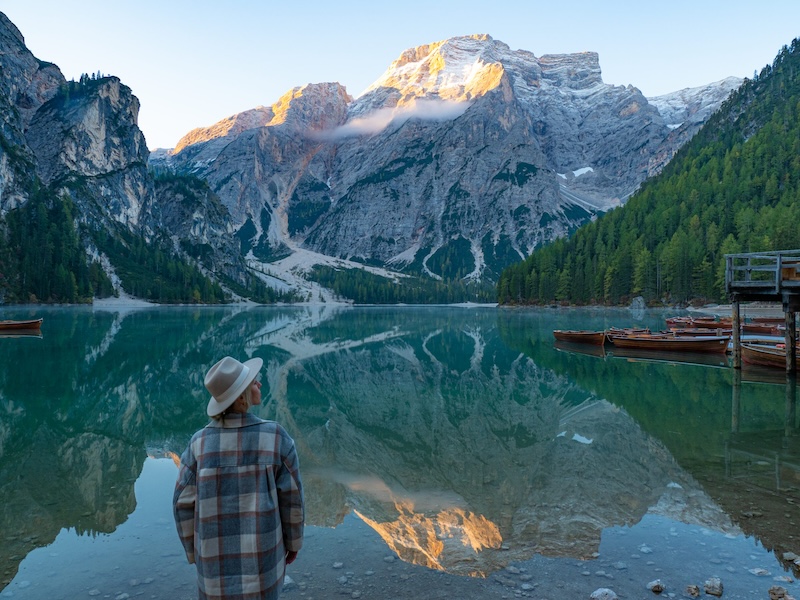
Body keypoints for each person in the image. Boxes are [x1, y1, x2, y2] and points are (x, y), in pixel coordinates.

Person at [173, 356, 304, 600]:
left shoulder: (198, 444)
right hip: (264, 568)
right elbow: (292, 498)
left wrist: (194, 552)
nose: (260, 384)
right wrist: (293, 543)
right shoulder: (276, 437)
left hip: (213, 572)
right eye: (255, 381)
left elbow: (182, 502)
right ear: (242, 396)